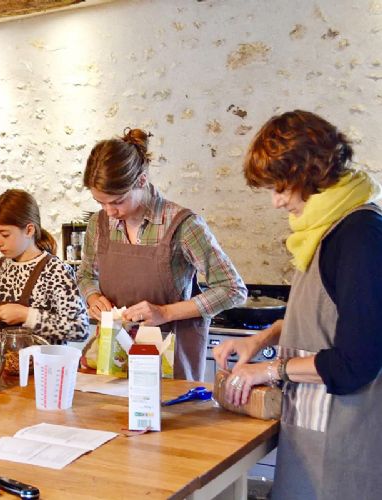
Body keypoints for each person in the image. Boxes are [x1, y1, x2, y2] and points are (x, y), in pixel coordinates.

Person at [213, 110, 382, 499]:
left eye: (280, 188)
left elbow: (357, 361)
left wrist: (270, 370)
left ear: (308, 174)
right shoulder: (324, 228)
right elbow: (321, 312)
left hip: (346, 446)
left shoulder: (360, 236)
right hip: (313, 433)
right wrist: (262, 339)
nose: (275, 203)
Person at [79, 128, 247, 380]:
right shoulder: (99, 225)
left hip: (169, 357)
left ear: (141, 181)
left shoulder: (183, 225)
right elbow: (85, 276)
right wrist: (93, 296)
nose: (109, 211)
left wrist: (165, 313)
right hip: (113, 356)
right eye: (100, 202)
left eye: (117, 201)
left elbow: (233, 289)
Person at [0, 189, 89, 350]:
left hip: (42, 370)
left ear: (29, 230)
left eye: (4, 235)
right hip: (2, 369)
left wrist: (26, 315)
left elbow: (79, 328)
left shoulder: (56, 271)